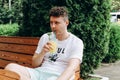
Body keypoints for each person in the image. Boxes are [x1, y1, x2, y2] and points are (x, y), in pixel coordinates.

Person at [5, 6, 84, 80]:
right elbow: (35, 64)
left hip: (59, 75)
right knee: (10, 67)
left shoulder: (76, 42)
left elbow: (71, 68)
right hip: (39, 73)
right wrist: (43, 52)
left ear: (66, 23)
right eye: (51, 22)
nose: (53, 26)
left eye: (56, 23)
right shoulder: (46, 37)